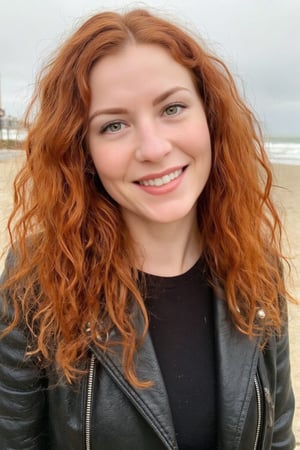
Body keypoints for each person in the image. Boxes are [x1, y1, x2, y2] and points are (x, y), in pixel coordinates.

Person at [0, 8, 296, 450]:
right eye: (114, 125)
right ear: (83, 152)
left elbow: (275, 436)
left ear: (210, 117)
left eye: (172, 108)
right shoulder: (38, 280)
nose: (154, 148)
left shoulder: (256, 269)